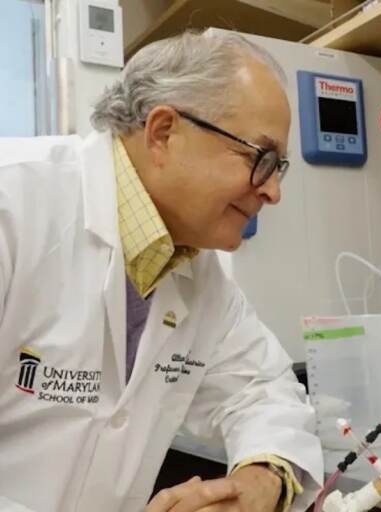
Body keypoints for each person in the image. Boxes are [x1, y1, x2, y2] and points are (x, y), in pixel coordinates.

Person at [0, 30, 322, 512]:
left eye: (280, 168)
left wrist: (259, 482)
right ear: (164, 132)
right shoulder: (13, 206)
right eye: (262, 159)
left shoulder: (198, 271)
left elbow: (263, 391)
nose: (273, 191)